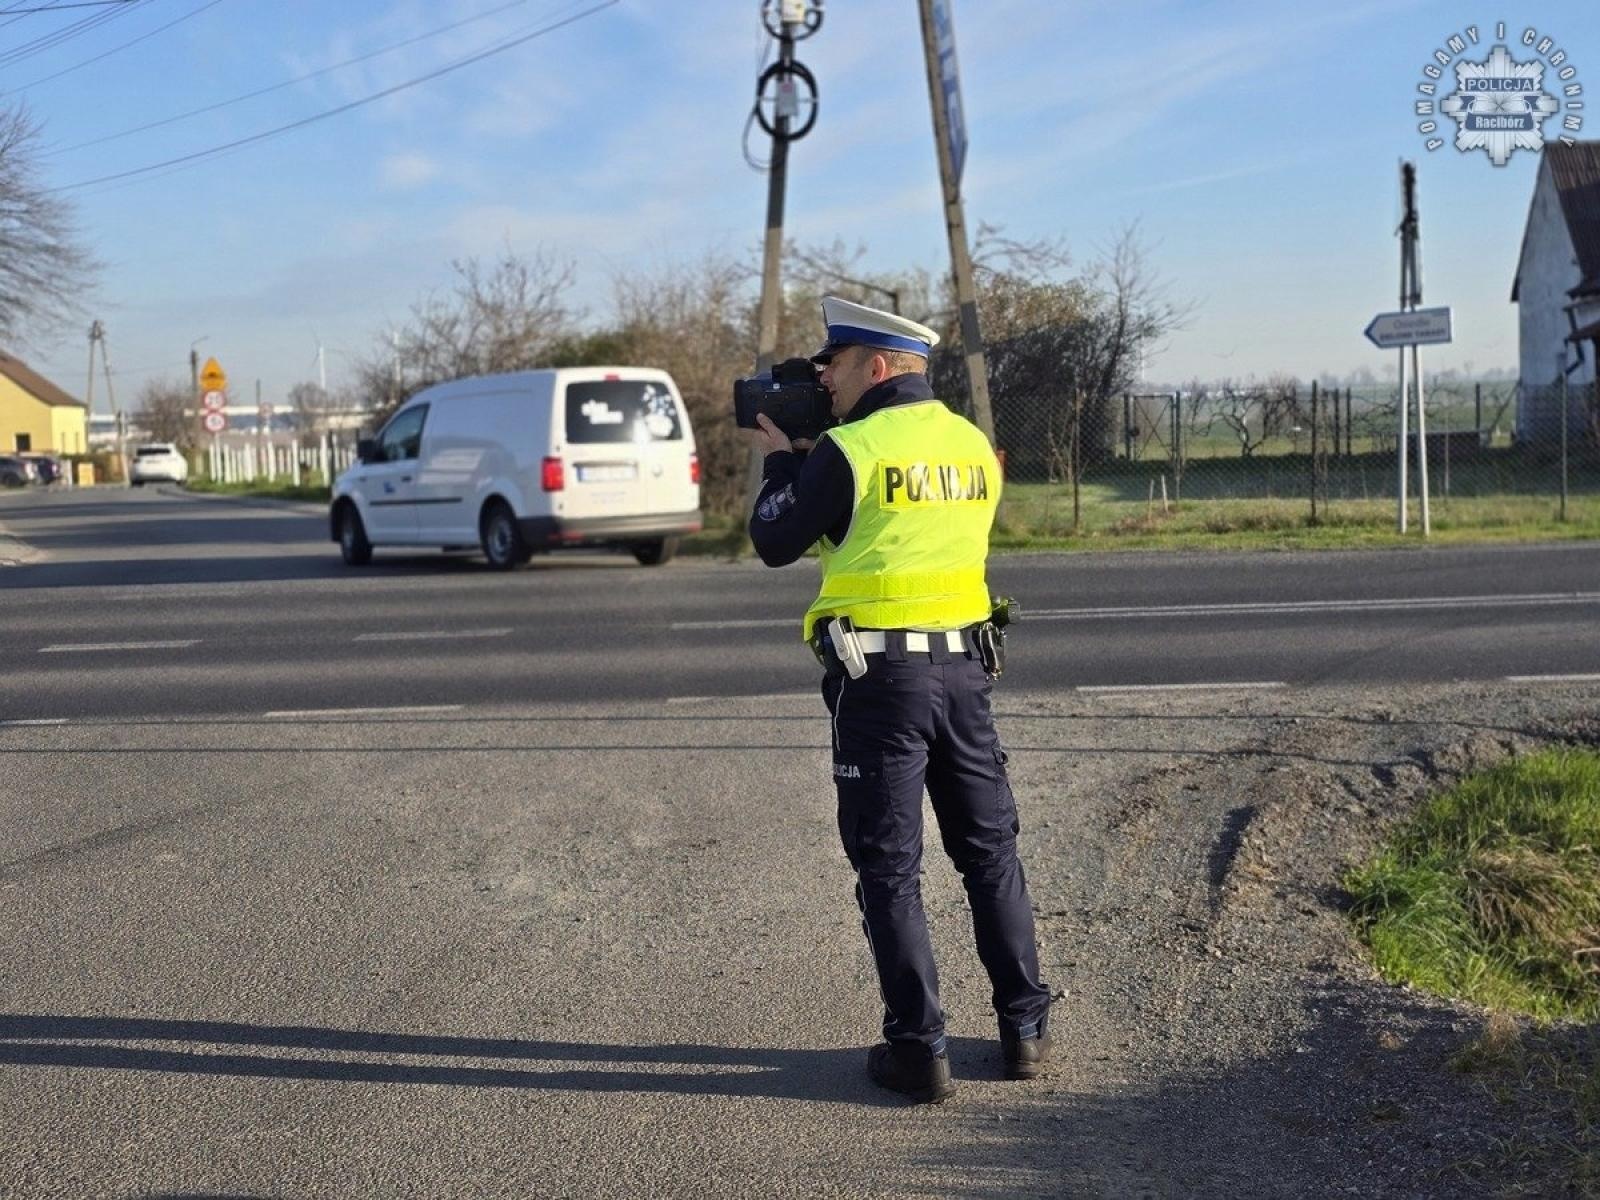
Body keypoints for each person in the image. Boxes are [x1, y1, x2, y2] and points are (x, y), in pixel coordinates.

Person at [744, 295, 1052, 1104]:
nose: (824, 378)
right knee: (989, 853)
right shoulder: (975, 446)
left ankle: (919, 1052)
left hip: (881, 682)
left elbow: (776, 538)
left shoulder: (848, 449)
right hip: (965, 672)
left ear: (877, 365)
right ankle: (1025, 1030)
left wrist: (785, 462)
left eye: (835, 363)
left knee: (890, 869)